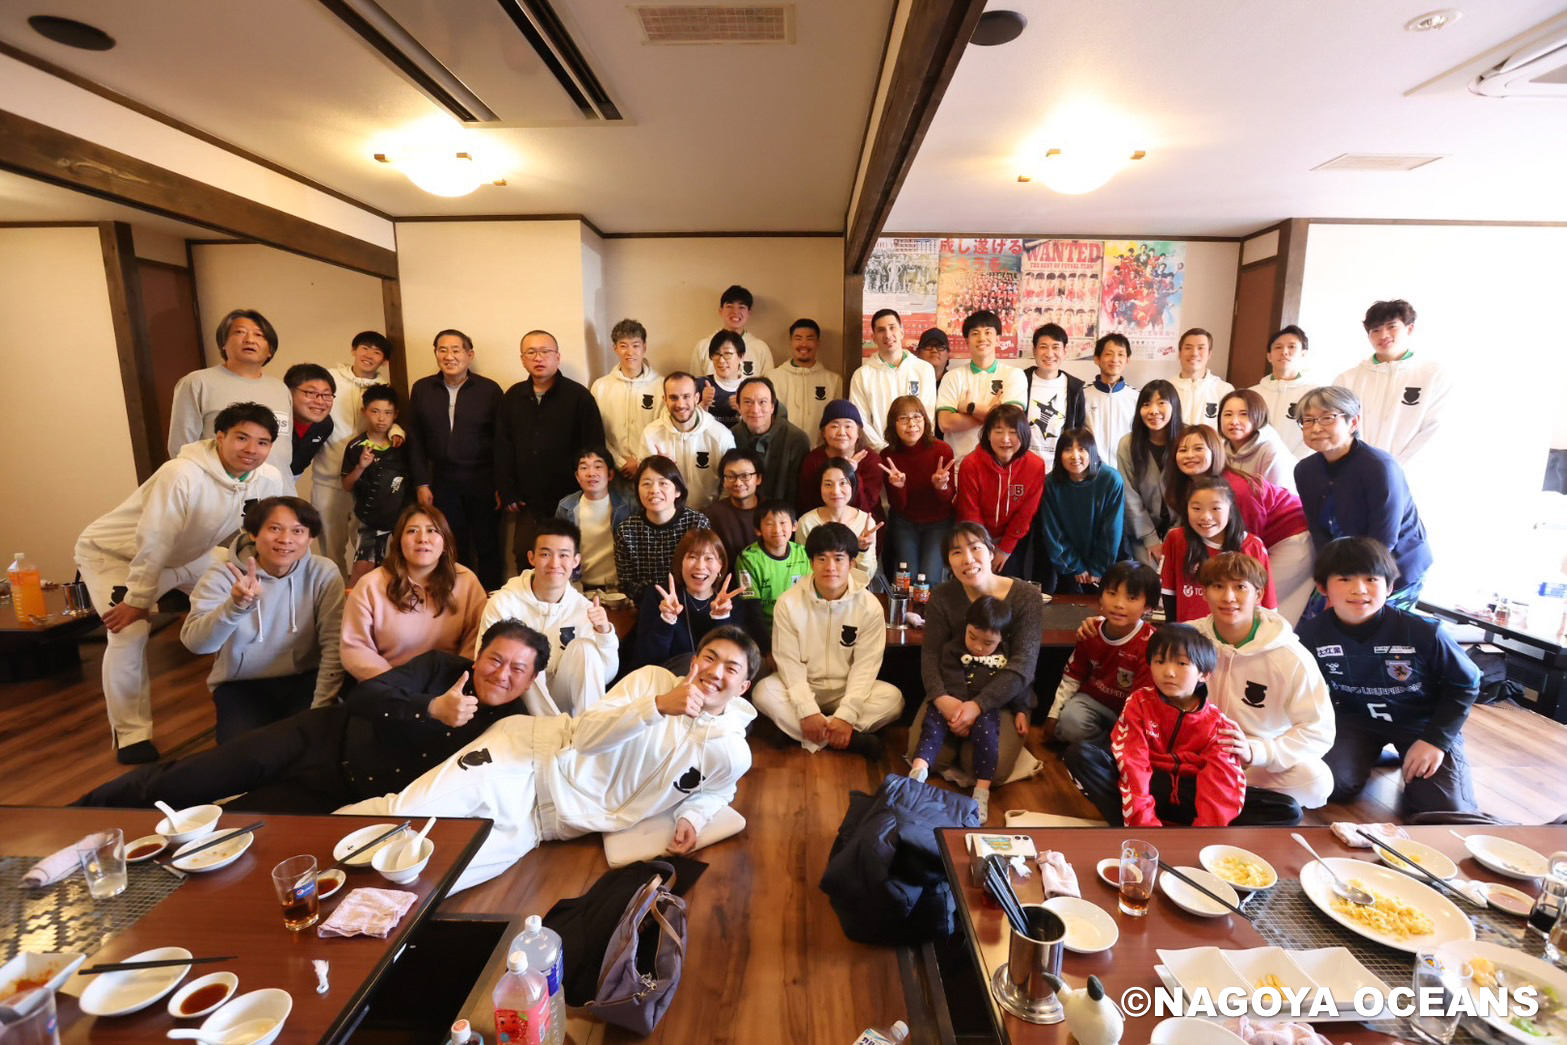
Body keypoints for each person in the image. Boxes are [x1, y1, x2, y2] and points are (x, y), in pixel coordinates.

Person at [337, 627, 762, 893]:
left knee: (434, 881)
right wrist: (656, 707)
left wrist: (694, 815)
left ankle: (344, 920)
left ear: (743, 686)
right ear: (694, 662)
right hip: (527, 757)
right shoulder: (651, 681)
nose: (715, 672)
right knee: (404, 817)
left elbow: (720, 788)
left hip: (545, 824)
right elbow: (587, 737)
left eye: (731, 668)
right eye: (710, 658)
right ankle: (313, 854)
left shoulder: (731, 750)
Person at [81, 620, 550, 814]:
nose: (501, 673)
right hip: (318, 737)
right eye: (495, 659)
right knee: (191, 779)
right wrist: (430, 709)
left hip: (339, 794)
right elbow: (366, 696)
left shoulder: (510, 728)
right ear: (478, 655)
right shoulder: (440, 667)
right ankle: (79, 816)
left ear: (530, 681)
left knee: (230, 825)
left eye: (517, 669)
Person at [75, 402, 293, 763]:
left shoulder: (267, 478)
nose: (251, 449)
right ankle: (132, 735)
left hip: (191, 553)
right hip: (116, 556)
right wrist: (138, 600)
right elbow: (154, 541)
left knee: (257, 599)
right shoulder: (181, 473)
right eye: (241, 438)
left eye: (262, 442)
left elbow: (260, 532)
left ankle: (259, 695)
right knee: (129, 632)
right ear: (220, 437)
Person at [1298, 538, 1481, 816]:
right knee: (1328, 785)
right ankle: (1371, 753)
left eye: (1371, 579)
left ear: (1390, 587)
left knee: (1441, 809)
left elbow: (1466, 683)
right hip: (1355, 722)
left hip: (1423, 724)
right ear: (1323, 587)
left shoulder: (1424, 632)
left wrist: (1436, 740)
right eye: (1345, 579)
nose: (1359, 589)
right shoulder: (1310, 635)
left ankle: (1408, 753)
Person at [180, 497, 344, 743]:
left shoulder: (323, 573)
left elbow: (333, 643)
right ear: (253, 533)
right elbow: (197, 644)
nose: (285, 539)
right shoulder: (224, 576)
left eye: (297, 531)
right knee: (242, 755)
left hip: (305, 678)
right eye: (275, 528)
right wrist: (235, 607)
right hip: (241, 684)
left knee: (310, 746)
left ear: (310, 538)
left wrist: (320, 707)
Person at [1191, 552, 1334, 812]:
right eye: (1218, 586)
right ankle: (1229, 797)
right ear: (1204, 593)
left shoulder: (1290, 655)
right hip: (1193, 750)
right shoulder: (1189, 638)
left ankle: (1216, 793)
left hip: (1254, 762)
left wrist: (1258, 752)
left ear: (1258, 595)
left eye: (1240, 587)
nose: (1228, 597)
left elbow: (1318, 731)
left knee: (1316, 781)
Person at [910, 523, 1044, 786]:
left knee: (989, 769)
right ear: (948, 560)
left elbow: (1023, 664)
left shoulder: (1026, 597)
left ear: (991, 552)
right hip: (951, 690)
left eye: (975, 548)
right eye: (956, 552)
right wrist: (941, 698)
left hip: (1001, 696)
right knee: (929, 758)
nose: (967, 559)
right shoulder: (942, 596)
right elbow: (931, 656)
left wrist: (978, 705)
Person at [752, 523, 901, 758]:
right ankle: (847, 739)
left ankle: (802, 733)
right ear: (812, 562)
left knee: (893, 699)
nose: (830, 567)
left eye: (839, 559)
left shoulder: (869, 606)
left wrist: (846, 715)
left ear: (851, 563)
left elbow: (865, 667)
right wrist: (806, 710)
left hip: (846, 689)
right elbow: (789, 663)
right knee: (763, 692)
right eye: (822, 559)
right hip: (805, 686)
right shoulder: (789, 602)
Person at [1294, 385, 1431, 615]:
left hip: (1394, 566)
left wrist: (1350, 585)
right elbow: (1319, 531)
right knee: (1315, 624)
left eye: (1327, 418)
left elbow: (1384, 538)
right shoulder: (1305, 471)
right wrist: (1331, 577)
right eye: (1308, 420)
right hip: (1344, 565)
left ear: (1353, 422)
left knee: (1371, 629)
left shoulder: (1379, 467)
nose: (1316, 428)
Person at [1166, 424, 1313, 625]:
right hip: (1263, 538)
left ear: (1216, 451)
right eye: (1183, 450)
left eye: (1198, 448)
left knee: (1260, 603)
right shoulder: (1189, 486)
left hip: (1291, 537)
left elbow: (1245, 545)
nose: (1189, 455)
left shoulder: (1235, 490)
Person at [1109, 625, 1250, 827]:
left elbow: (1220, 782)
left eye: (1181, 663)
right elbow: (1133, 765)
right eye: (1159, 661)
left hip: (1190, 795)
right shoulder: (1139, 703)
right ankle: (1141, 820)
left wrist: (1203, 835)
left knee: (1284, 808)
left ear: (1204, 674)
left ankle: (1184, 828)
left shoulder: (1218, 725)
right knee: (1084, 757)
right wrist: (1147, 828)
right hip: (1150, 785)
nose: (1168, 672)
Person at [478, 519, 618, 715]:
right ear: (531, 557)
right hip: (518, 703)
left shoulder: (584, 609)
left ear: (575, 561)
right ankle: (557, 730)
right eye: (545, 554)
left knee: (584, 648)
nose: (554, 564)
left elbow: (604, 676)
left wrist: (604, 633)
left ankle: (588, 727)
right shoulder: (503, 603)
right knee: (527, 655)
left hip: (567, 702)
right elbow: (483, 661)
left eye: (563, 555)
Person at [908, 595, 1028, 820]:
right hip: (953, 702)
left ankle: (981, 791)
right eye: (972, 637)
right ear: (966, 626)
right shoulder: (953, 649)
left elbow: (1017, 685)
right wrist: (960, 712)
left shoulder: (1006, 655)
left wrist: (1021, 709)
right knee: (931, 727)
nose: (978, 647)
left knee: (988, 736)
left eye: (988, 643)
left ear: (1002, 638)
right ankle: (917, 772)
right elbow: (950, 679)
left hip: (986, 708)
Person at [496, 329, 606, 572]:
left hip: (571, 497)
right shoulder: (513, 397)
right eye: (531, 352)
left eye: (545, 351)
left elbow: (594, 446)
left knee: (570, 558)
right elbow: (502, 446)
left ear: (558, 356)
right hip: (527, 500)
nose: (538, 358)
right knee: (526, 556)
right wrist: (507, 490)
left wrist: (589, 487)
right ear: (522, 359)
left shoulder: (579, 397)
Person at [405, 329, 505, 591]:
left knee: (487, 543)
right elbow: (415, 439)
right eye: (442, 350)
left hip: (483, 478)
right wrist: (421, 483)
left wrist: (501, 484)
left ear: (469, 355)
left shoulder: (489, 389)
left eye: (456, 350)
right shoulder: (422, 389)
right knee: (451, 542)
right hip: (442, 479)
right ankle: (457, 596)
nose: (449, 356)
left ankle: (491, 599)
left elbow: (502, 440)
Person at [339, 505, 487, 682]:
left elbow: (477, 639)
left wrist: (454, 681)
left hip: (450, 685)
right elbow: (355, 647)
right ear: (399, 542)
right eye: (412, 531)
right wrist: (397, 684)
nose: (422, 539)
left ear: (445, 542)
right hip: (386, 685)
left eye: (432, 530)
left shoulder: (466, 581)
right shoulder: (370, 585)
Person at [167, 309, 293, 483]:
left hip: (277, 487)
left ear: (270, 350)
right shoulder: (197, 382)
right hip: (220, 488)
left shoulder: (280, 388)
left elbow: (283, 448)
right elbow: (181, 448)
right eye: (240, 332)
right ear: (223, 344)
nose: (249, 340)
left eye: (259, 335)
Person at [1043, 560, 1159, 747]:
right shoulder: (1090, 630)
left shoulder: (1151, 644)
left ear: (1148, 607)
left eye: (1131, 598)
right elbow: (1073, 676)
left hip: (1131, 711)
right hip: (1093, 703)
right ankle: (1106, 747)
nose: (1119, 604)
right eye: (1112, 593)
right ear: (1101, 596)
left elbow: (1142, 701)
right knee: (1068, 724)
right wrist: (1054, 715)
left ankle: (1113, 751)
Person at [308, 331, 396, 574]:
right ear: (353, 350)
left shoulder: (384, 388)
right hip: (328, 479)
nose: (369, 355)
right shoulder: (329, 379)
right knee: (331, 548)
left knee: (366, 549)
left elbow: (393, 418)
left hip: (367, 482)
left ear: (384, 361)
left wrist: (397, 431)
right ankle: (335, 595)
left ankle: (365, 594)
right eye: (364, 348)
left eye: (377, 352)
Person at [1332, 300, 1452, 472]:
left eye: (1391, 326)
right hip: (1355, 473)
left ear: (1409, 328)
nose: (1383, 335)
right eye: (1375, 330)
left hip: (1410, 475)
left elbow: (1435, 429)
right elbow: (1338, 429)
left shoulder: (1433, 375)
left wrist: (1392, 469)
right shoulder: (1346, 380)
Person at [634, 528, 763, 673]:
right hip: (668, 677)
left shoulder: (732, 602)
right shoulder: (658, 597)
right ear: (681, 563)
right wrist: (666, 620)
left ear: (720, 564)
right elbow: (647, 659)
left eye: (709, 558)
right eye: (692, 557)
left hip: (716, 678)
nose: (700, 566)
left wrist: (722, 618)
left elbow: (735, 661)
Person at [1161, 477, 1277, 621]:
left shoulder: (1253, 546)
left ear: (1230, 510)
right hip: (1191, 632)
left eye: (1215, 508)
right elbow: (1168, 593)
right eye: (1196, 508)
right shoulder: (1176, 539)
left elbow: (1268, 606)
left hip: (1237, 633)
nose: (1205, 517)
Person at [954, 403, 1045, 576]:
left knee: (1009, 584)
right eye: (998, 431)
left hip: (1011, 538)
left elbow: (1026, 513)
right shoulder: (971, 464)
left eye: (1013, 432)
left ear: (1024, 434)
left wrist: (1005, 549)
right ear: (988, 434)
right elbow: (970, 512)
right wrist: (983, 549)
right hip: (973, 536)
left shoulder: (1035, 466)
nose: (1005, 439)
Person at [879, 395, 956, 585]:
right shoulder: (888, 455)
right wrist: (898, 487)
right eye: (903, 418)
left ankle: (930, 607)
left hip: (938, 523)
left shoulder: (942, 450)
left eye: (916, 417)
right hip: (904, 522)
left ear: (925, 420)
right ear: (893, 424)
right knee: (907, 577)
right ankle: (904, 607)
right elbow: (898, 505)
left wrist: (941, 486)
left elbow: (948, 499)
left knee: (928, 579)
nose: (911, 424)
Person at [613, 456, 710, 603]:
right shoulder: (626, 530)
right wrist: (659, 598)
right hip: (647, 605)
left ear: (678, 491)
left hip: (691, 603)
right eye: (646, 484)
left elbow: (704, 573)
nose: (654, 490)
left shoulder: (696, 523)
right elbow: (627, 584)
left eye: (663, 483)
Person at [935, 310, 1028, 462]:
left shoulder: (1014, 375)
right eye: (975, 333)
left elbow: (1010, 421)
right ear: (967, 341)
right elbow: (945, 423)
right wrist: (992, 411)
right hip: (959, 465)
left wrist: (970, 408)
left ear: (998, 339)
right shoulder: (952, 377)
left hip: (999, 465)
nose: (982, 338)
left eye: (988, 332)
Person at [1040, 428, 1124, 594]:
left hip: (1106, 563)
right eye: (1068, 449)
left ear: (1092, 452)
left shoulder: (1111, 480)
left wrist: (1098, 567)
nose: (1075, 456)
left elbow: (1112, 530)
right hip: (1067, 565)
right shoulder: (1050, 483)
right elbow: (1052, 531)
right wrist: (1074, 566)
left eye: (1081, 449)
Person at [340, 384, 409, 588]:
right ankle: (354, 605)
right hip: (371, 517)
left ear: (395, 414)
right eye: (375, 411)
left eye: (387, 413)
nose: (381, 419)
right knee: (363, 568)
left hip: (402, 514)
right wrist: (361, 467)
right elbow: (347, 485)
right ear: (365, 412)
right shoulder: (356, 446)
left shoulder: (402, 443)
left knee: (405, 565)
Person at [639, 372, 735, 511]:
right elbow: (645, 483)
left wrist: (716, 514)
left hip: (710, 515)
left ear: (696, 398)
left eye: (686, 397)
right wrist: (658, 468)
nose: (680, 404)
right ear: (665, 400)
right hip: (667, 515)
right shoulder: (650, 434)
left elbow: (729, 485)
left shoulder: (721, 435)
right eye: (673, 397)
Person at [850, 309, 937, 451]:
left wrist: (915, 448)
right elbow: (861, 420)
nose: (888, 335)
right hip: (880, 454)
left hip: (917, 451)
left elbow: (928, 414)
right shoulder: (862, 375)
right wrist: (883, 450)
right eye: (881, 330)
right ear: (873, 337)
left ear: (901, 332)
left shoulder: (924, 369)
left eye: (892, 328)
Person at [1118, 380, 1183, 570]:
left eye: (1161, 403)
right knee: (1148, 574)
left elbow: (1193, 490)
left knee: (1179, 571)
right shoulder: (1128, 444)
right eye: (1146, 404)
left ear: (1174, 406)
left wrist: (1175, 534)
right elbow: (1129, 495)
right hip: (1141, 531)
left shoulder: (1188, 439)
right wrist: (1150, 538)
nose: (1153, 411)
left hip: (1183, 526)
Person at [590, 318, 663, 481]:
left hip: (650, 469)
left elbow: (663, 429)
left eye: (636, 345)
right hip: (613, 471)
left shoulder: (660, 385)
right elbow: (597, 430)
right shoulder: (600, 386)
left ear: (644, 347)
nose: (630, 352)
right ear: (615, 348)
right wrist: (620, 462)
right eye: (623, 346)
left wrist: (641, 462)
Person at [554, 446, 634, 592]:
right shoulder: (566, 507)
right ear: (577, 476)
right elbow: (558, 551)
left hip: (620, 589)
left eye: (598, 467)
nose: (591, 473)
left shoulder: (628, 505)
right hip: (580, 588)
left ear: (610, 474)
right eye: (584, 468)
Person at [796, 458, 881, 587]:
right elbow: (802, 570)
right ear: (820, 487)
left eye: (843, 483)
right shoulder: (806, 522)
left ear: (853, 486)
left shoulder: (866, 522)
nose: (836, 491)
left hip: (855, 591)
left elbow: (868, 575)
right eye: (828, 484)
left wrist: (863, 550)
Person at [796, 399, 884, 519]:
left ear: (858, 432)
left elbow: (867, 507)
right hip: (824, 522)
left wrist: (850, 473)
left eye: (848, 426)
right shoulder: (813, 460)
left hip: (865, 523)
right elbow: (808, 505)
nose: (841, 432)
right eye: (834, 426)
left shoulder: (871, 460)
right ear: (824, 432)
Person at [730, 376, 810, 505]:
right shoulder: (730, 437)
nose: (755, 410)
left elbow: (798, 493)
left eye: (762, 402)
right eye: (748, 402)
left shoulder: (796, 439)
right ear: (739, 407)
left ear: (772, 406)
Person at [735, 499, 810, 626]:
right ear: (758, 530)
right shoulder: (748, 558)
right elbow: (751, 608)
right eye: (769, 524)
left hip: (800, 625)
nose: (777, 530)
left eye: (783, 523)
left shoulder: (804, 554)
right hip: (766, 627)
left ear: (794, 526)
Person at [1022, 323, 1086, 465]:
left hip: (1060, 469)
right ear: (1034, 351)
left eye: (1056, 347)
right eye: (1043, 347)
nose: (1049, 354)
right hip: (1024, 467)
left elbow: (1078, 431)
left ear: (1064, 351)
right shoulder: (1019, 380)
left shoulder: (1075, 388)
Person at [767, 318, 841, 441]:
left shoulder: (834, 381)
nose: (804, 344)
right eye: (798, 338)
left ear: (818, 343)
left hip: (819, 449)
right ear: (790, 342)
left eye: (810, 339)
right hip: (782, 448)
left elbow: (837, 420)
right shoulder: (772, 378)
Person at [1248, 325, 1313, 459]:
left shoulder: (1314, 394)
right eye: (1278, 347)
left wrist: (1292, 464)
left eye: (1291, 347)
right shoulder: (1252, 394)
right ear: (1269, 356)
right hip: (1255, 464)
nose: (1284, 352)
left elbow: (1316, 434)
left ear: (1303, 353)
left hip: (1298, 465)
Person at [1219, 389, 1296, 492]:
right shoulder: (1220, 449)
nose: (1234, 421)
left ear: (1259, 416)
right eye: (1228, 414)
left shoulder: (1272, 451)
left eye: (1244, 414)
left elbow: (1277, 499)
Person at [1082, 332, 1137, 472]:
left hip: (1125, 472)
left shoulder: (1137, 398)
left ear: (1127, 360)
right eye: (1108, 354)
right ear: (1097, 359)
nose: (1115, 359)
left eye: (1121, 354)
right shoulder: (1081, 395)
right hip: (1091, 472)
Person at [690, 284, 772, 378]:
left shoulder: (761, 348)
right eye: (729, 306)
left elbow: (768, 384)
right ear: (721, 310)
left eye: (741, 307)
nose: (735, 312)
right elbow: (694, 384)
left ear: (749, 312)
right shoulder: (703, 346)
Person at [705, 448, 766, 564]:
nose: (738, 483)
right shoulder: (711, 515)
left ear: (758, 478)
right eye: (731, 476)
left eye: (745, 476)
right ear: (723, 481)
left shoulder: (773, 511)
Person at [1169, 327, 1233, 426]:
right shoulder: (1167, 388)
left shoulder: (1224, 390)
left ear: (1209, 354)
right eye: (1188, 348)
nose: (1194, 353)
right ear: (1179, 353)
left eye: (1201, 348)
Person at [284, 363, 336, 478]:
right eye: (311, 393)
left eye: (326, 395)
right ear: (288, 392)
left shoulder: (325, 425)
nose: (320, 402)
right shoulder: (273, 419)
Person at [699, 330, 747, 427]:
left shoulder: (751, 389)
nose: (721, 360)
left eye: (727, 354)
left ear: (741, 356)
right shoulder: (700, 385)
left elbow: (758, 430)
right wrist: (703, 404)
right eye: (716, 354)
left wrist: (743, 411)